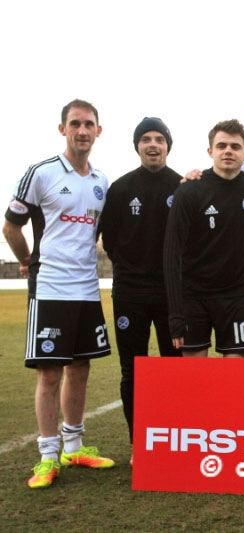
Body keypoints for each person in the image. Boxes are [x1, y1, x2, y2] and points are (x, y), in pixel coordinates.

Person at [3, 99, 114, 488]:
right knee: (49, 374)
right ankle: (48, 456)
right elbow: (11, 226)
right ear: (62, 128)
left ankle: (74, 447)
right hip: (50, 288)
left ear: (98, 131)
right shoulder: (41, 173)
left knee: (79, 369)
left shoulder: (101, 182)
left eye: (89, 124)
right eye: (75, 123)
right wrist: (27, 260)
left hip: (86, 289)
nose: (82, 131)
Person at [98, 117, 183, 458]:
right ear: (137, 146)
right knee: (132, 369)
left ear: (167, 146)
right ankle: (140, 445)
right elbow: (110, 240)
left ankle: (174, 440)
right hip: (130, 293)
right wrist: (131, 268)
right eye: (146, 139)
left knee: (173, 368)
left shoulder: (181, 186)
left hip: (170, 294)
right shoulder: (120, 189)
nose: (153, 144)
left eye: (159, 139)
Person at [164, 119, 244, 358]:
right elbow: (171, 253)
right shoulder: (189, 191)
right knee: (195, 374)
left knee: (239, 370)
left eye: (235, 147)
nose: (228, 151)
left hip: (236, 295)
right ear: (210, 151)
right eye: (221, 146)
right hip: (193, 296)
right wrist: (176, 313)